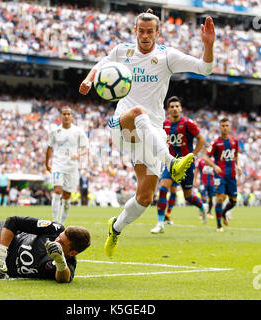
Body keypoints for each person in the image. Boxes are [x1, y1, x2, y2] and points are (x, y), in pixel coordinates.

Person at [79, 9, 214, 256]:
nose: (144, 36)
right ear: (135, 31)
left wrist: (208, 46)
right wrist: (89, 80)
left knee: (145, 197)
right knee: (139, 110)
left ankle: (116, 227)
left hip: (152, 135)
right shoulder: (122, 51)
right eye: (141, 31)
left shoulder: (167, 56)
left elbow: (205, 68)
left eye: (149, 31)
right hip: (124, 125)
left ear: (157, 33)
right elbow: (101, 65)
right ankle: (172, 163)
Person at [150, 96, 207, 234]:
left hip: (186, 165)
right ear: (168, 110)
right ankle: (160, 223)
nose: (175, 109)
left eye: (177, 106)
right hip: (171, 162)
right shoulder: (165, 124)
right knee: (163, 189)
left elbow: (201, 140)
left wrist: (192, 155)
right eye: (172, 107)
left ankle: (202, 207)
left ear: (180, 108)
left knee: (188, 196)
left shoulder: (188, 123)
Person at [45, 106, 89, 224]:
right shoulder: (55, 131)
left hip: (72, 167)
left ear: (71, 116)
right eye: (64, 114)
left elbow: (85, 148)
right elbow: (49, 148)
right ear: (60, 116)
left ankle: (62, 224)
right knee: (57, 190)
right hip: (58, 164)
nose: (66, 116)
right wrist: (47, 163)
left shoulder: (78, 131)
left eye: (68, 114)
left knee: (66, 196)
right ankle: (54, 222)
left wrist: (79, 154)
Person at [204, 118, 242, 232]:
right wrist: (214, 166)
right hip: (220, 175)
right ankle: (219, 225)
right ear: (220, 127)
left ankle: (224, 213)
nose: (225, 127)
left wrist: (238, 165)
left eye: (227, 125)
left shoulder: (234, 141)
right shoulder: (215, 142)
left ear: (230, 127)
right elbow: (206, 158)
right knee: (220, 198)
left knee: (234, 201)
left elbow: (236, 155)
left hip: (231, 175)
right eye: (223, 125)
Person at [194, 150, 215, 220]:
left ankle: (209, 212)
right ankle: (201, 213)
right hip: (203, 182)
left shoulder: (213, 160)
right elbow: (196, 170)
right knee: (203, 197)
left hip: (212, 182)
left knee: (211, 197)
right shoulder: (201, 161)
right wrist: (195, 180)